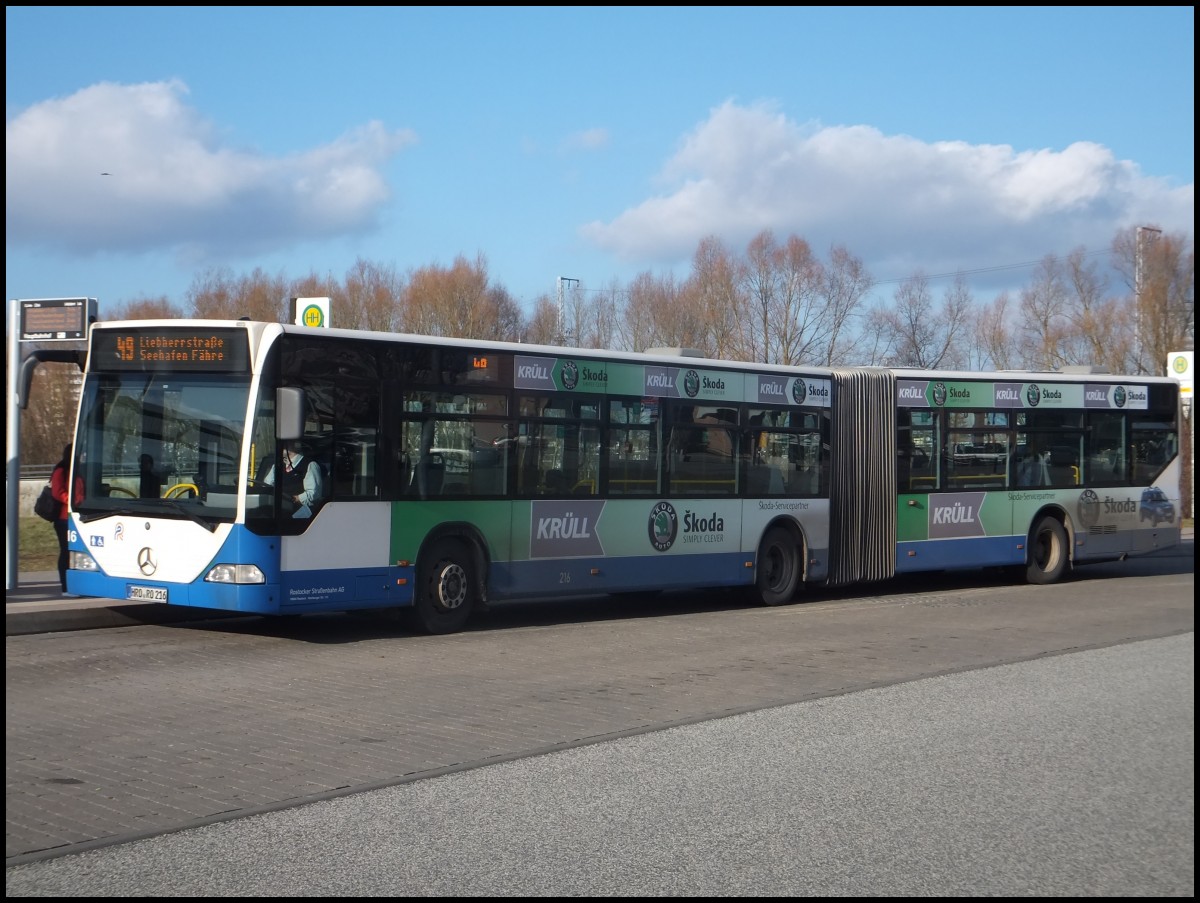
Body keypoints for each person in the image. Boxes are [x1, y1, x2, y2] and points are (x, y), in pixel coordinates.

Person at [49, 443, 84, 592]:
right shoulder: (61, 471)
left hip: (76, 516)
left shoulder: (78, 471)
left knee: (75, 552)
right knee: (66, 551)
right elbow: (57, 492)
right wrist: (72, 502)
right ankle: (65, 586)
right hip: (63, 518)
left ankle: (75, 585)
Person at [261, 440, 325, 517]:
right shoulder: (277, 465)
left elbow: (314, 493)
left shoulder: (310, 464)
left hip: (299, 514)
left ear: (296, 445)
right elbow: (266, 486)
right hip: (277, 511)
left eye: (287, 442)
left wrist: (295, 499)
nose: (283, 445)